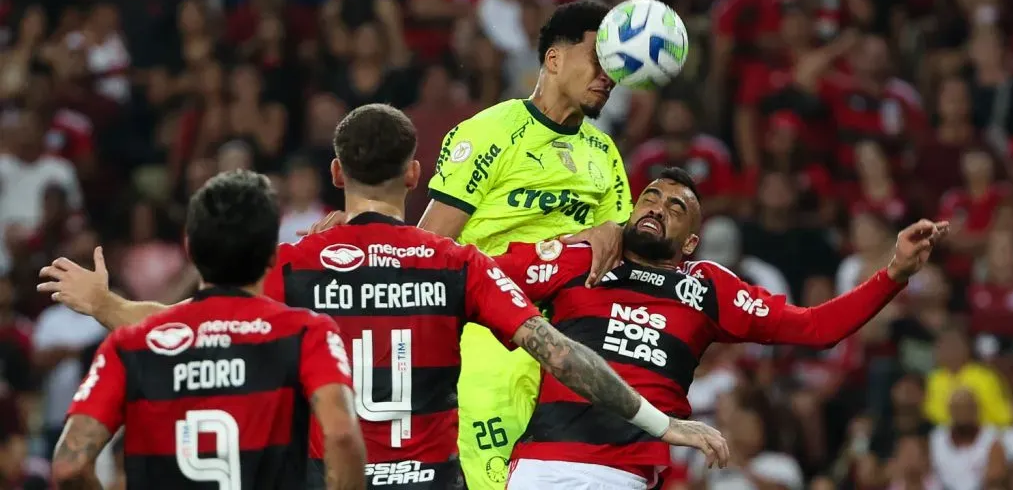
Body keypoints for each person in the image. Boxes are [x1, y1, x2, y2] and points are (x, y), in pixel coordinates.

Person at [39, 105, 729, 490]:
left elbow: (198, 325)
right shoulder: (457, 262)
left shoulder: (297, 264)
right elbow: (560, 353)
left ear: (337, 171)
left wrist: (105, 305)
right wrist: (659, 422)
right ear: (415, 172)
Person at [295, 0, 632, 489]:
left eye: (617, 68)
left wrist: (614, 231)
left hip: (570, 360)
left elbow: (616, 255)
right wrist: (359, 232)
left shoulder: (604, 154)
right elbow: (428, 246)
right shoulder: (489, 134)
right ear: (554, 59)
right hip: (489, 349)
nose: (609, 77)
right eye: (599, 60)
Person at [486, 167, 947, 489]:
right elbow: (479, 277)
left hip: (627, 474)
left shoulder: (704, 287)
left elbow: (815, 328)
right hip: (544, 464)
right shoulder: (583, 258)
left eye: (675, 206)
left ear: (689, 241)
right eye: (649, 196)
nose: (657, 206)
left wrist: (894, 275)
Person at [46, 170, 367, 490]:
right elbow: (342, 436)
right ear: (273, 254)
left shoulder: (130, 344)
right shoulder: (306, 332)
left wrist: (103, 304)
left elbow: (68, 466)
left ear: (190, 249)